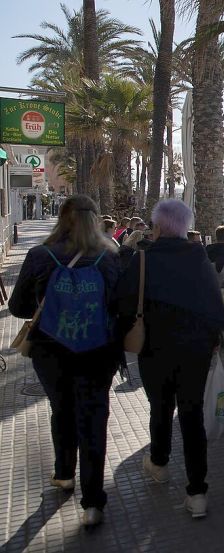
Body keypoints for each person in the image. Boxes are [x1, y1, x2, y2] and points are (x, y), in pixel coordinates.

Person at [9, 195, 121, 528]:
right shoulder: (109, 257)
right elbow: (121, 305)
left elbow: (17, 307)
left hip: (51, 350)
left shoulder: (40, 255)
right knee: (94, 416)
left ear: (61, 218)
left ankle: (63, 474)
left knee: (62, 409)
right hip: (99, 351)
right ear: (95, 219)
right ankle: (92, 503)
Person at [117, 199, 224, 520]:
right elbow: (214, 305)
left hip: (155, 350)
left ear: (157, 227)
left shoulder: (143, 260)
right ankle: (197, 492)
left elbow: (123, 301)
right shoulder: (199, 259)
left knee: (161, 408)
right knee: (191, 416)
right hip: (195, 351)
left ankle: (160, 463)